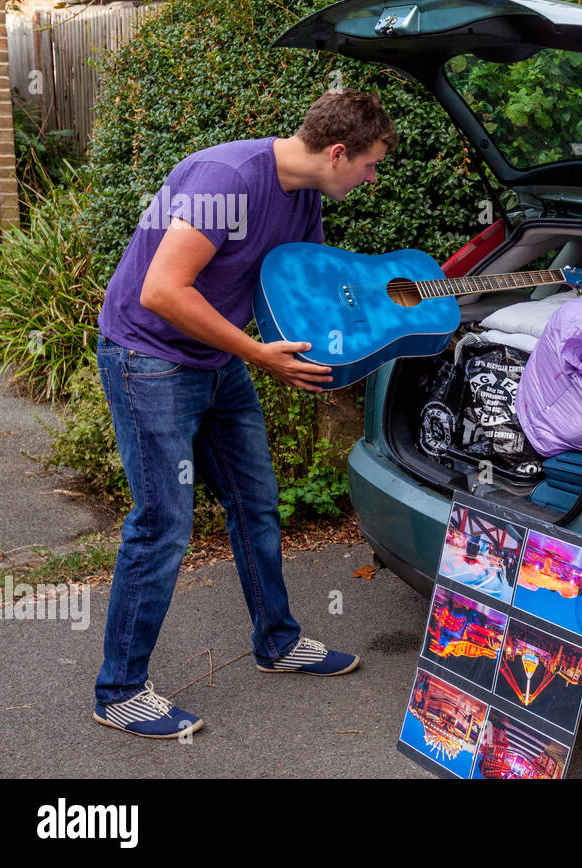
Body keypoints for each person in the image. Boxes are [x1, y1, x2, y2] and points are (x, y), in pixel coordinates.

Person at [92, 89, 398, 738]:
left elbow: (309, 291)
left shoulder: (306, 197)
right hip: (149, 358)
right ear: (338, 152)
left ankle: (277, 642)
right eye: (370, 164)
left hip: (217, 360)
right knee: (163, 524)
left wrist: (390, 315)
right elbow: (162, 290)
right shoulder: (225, 180)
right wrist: (261, 355)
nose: (372, 179)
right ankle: (119, 691)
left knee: (256, 501)